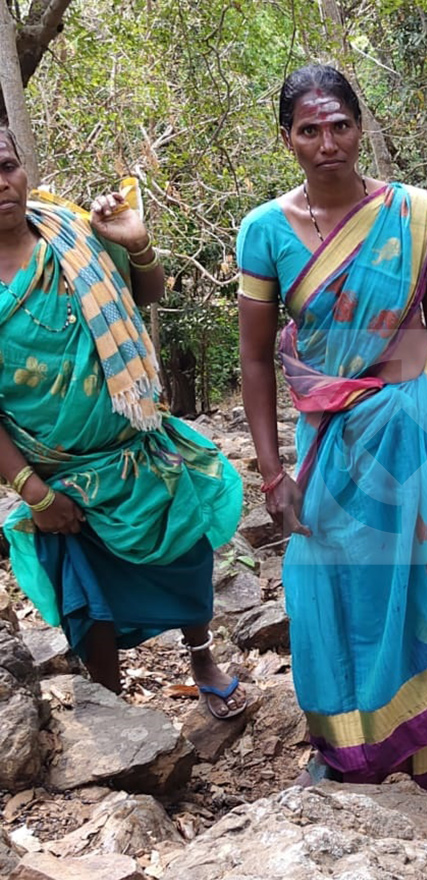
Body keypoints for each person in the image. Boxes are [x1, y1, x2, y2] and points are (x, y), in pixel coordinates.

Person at [237, 65, 427, 807]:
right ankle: (349, 748)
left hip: (417, 428)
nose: (328, 143)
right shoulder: (265, 231)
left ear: (361, 126)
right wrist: (271, 472)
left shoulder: (417, 215)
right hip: (333, 443)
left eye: (341, 126)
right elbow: (255, 359)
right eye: (309, 130)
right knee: (331, 586)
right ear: (286, 138)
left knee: (423, 584)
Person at [0, 132, 246, 718]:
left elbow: (146, 292)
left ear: (22, 167)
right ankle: (114, 711)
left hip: (136, 449)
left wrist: (135, 244)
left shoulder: (72, 231)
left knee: (186, 559)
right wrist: (32, 493)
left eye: (6, 165)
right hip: (57, 475)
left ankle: (203, 658)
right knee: (91, 598)